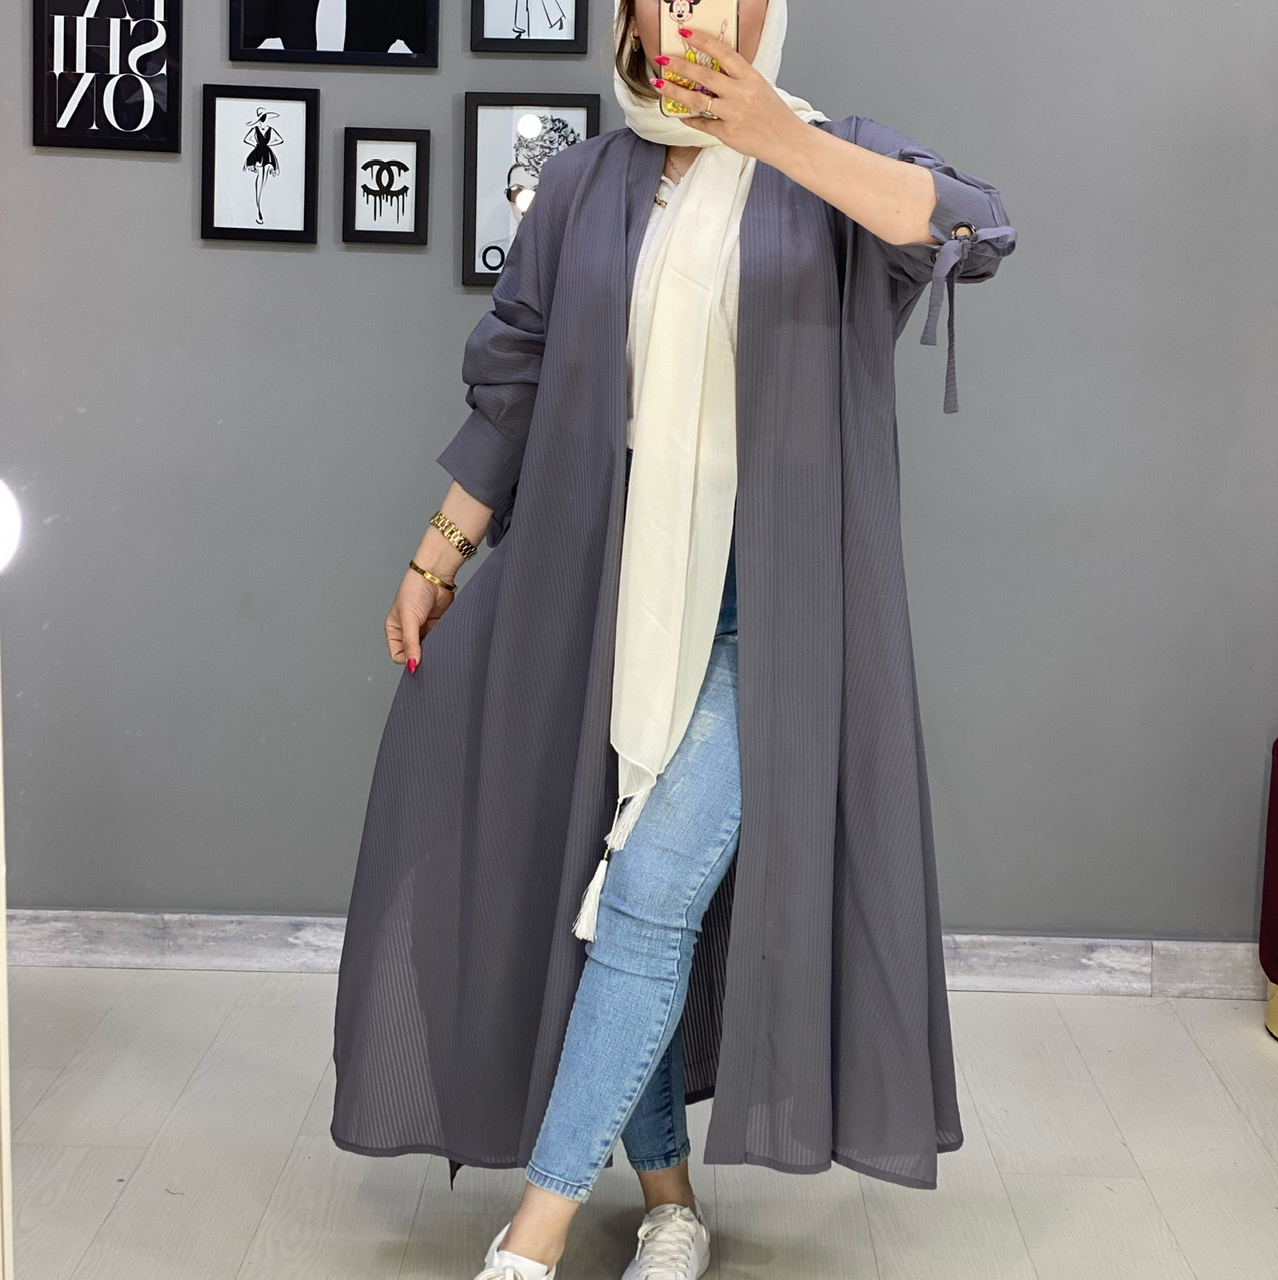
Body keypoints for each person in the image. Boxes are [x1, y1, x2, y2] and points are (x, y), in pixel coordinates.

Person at [329, 3, 1017, 1278]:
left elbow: (971, 228)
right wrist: (435, 557)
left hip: (771, 611)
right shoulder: (584, 185)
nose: (691, 6)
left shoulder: (831, 163)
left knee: (647, 888)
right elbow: (513, 387)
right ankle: (668, 1200)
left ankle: (530, 1240)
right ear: (633, 14)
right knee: (584, 898)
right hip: (591, 595)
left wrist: (772, 136)